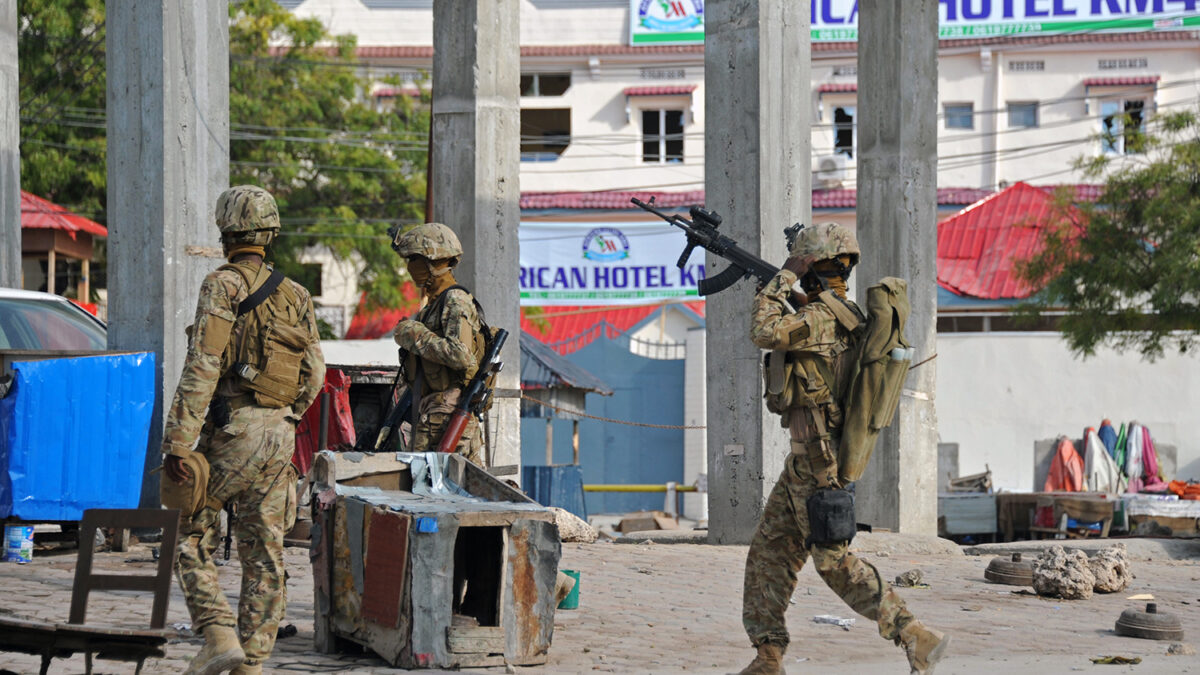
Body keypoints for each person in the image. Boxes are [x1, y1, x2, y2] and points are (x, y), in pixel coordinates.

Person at [738, 223, 949, 675]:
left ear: (811, 266)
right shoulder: (837, 313)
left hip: (817, 463)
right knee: (769, 553)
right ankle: (767, 656)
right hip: (807, 460)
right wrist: (788, 290)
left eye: (802, 263)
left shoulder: (820, 317)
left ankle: (912, 632)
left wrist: (781, 279)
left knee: (832, 562)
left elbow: (763, 330)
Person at [161, 185, 325, 675]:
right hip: (280, 436)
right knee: (265, 554)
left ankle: (216, 634)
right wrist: (290, 415)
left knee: (187, 534)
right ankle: (251, 664)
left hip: (234, 429)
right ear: (270, 233)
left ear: (226, 232)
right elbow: (315, 370)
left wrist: (178, 439)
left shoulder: (222, 284)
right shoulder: (296, 293)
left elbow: (205, 363)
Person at [390, 222, 488, 465]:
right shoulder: (434, 303)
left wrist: (413, 334)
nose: (409, 266)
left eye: (413, 259)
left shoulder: (455, 300)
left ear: (432, 261)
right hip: (434, 414)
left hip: (448, 416)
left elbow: (460, 355)